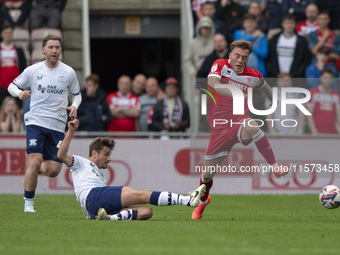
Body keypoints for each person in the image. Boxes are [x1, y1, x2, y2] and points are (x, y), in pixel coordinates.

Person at [191, 39, 289, 220]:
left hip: (239, 123)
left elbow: (264, 87)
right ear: (230, 55)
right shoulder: (220, 65)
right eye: (237, 56)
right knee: (206, 176)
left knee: (253, 125)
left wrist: (273, 99)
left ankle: (274, 166)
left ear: (248, 58)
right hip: (220, 128)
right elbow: (212, 84)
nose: (240, 60)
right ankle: (203, 201)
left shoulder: (253, 75)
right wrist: (234, 92)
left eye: (244, 57)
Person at [57, 118, 206, 220]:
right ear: (94, 153)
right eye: (106, 154)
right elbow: (61, 155)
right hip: (94, 196)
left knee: (146, 212)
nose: (109, 159)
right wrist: (70, 131)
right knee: (141, 194)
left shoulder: (100, 178)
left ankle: (110, 218)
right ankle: (186, 200)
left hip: (94, 208)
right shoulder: (81, 162)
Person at [7, 34, 81, 213]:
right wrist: (19, 94)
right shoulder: (33, 70)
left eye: (57, 47)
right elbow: (12, 86)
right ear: (43, 50)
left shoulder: (69, 72)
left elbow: (77, 94)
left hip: (57, 125)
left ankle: (36, 165)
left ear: (60, 50)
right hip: (36, 122)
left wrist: (74, 105)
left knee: (54, 169)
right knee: (34, 161)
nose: (54, 51)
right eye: (51, 47)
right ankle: (29, 204)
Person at [267, 14, 311, 78]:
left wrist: (297, 73)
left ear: (295, 24)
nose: (289, 26)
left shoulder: (302, 41)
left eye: (291, 23)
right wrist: (273, 73)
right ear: (282, 24)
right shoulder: (274, 39)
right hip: (276, 76)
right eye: (287, 23)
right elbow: (269, 58)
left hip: (295, 77)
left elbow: (305, 60)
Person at [306, 69, 340, 134]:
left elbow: (338, 115)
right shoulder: (312, 93)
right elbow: (309, 115)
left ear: (333, 80)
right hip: (317, 133)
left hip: (332, 133)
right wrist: (314, 131)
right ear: (321, 78)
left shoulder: (336, 96)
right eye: (326, 78)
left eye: (330, 78)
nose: (328, 81)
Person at [0, 24, 26, 92]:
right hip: (1, 85)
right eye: (5, 33)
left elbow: (23, 66)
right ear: (1, 34)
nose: (7, 35)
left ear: (12, 34)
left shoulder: (19, 49)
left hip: (16, 85)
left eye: (9, 33)